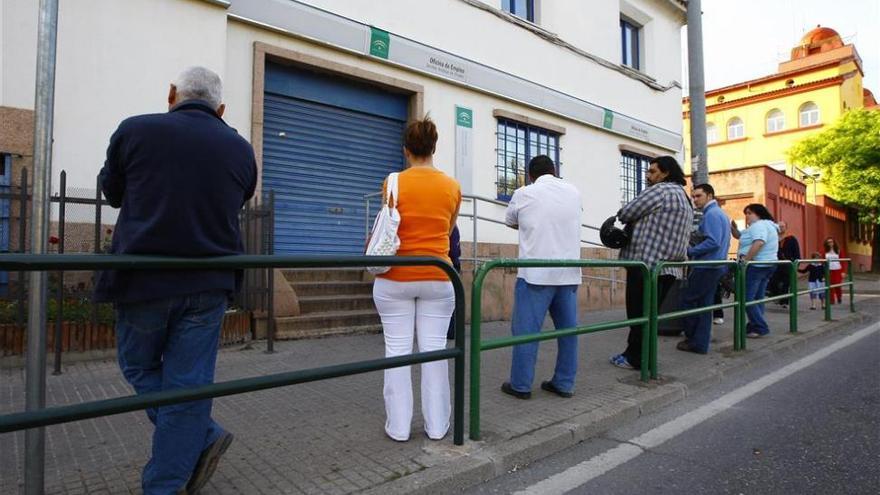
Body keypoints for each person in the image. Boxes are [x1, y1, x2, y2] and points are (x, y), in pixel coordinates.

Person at [95, 67, 257, 494]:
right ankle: (196, 440)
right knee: (188, 384)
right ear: (221, 109)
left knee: (137, 366)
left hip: (144, 281)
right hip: (208, 286)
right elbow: (238, 198)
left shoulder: (135, 131)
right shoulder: (240, 150)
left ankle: (173, 472)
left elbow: (111, 192)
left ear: (172, 95)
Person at [371, 116, 461, 442]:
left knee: (397, 352)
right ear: (434, 148)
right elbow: (448, 232)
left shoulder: (392, 182)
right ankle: (437, 427)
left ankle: (398, 428)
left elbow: (389, 229)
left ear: (406, 150)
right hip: (439, 276)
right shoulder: (452, 186)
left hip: (395, 278)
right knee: (434, 351)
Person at [500, 155, 582, 399]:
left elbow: (510, 221)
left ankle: (521, 385)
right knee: (568, 332)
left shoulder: (524, 193)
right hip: (568, 274)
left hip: (535, 274)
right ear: (554, 170)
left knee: (526, 332)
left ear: (530, 175)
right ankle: (564, 383)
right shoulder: (574, 191)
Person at [610, 156, 693, 370]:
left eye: (653, 171)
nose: (648, 175)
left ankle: (634, 359)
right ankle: (642, 357)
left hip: (645, 264)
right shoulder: (685, 197)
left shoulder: (660, 190)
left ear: (665, 173)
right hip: (668, 268)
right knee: (650, 315)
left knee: (638, 315)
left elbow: (626, 212)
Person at [677, 184, 731, 354]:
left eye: (698, 196)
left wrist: (690, 251)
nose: (695, 200)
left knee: (688, 302)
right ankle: (700, 342)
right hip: (714, 266)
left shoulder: (712, 214)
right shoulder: (719, 214)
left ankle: (694, 340)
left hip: (707, 266)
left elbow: (713, 241)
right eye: (693, 197)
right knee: (704, 305)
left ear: (709, 195)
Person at [730, 204, 779, 338]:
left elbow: (759, 242)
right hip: (767, 265)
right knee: (757, 298)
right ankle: (754, 327)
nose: (747, 216)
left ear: (759, 213)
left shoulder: (759, 225)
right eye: (745, 213)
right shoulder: (768, 225)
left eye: (750, 213)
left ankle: (760, 326)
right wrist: (733, 229)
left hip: (757, 265)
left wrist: (746, 259)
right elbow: (741, 237)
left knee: (746, 298)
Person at [769, 220, 800, 307]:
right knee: (773, 282)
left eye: (782, 226)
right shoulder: (773, 239)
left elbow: (797, 253)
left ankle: (784, 302)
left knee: (786, 284)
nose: (780, 228)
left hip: (788, 265)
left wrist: (796, 265)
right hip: (776, 265)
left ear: (786, 228)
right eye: (779, 226)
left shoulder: (791, 239)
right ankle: (778, 297)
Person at [446, 225, 462, 340]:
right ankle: (452, 331)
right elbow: (455, 251)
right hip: (450, 266)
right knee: (451, 302)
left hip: (443, 266)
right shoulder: (451, 226)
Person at [823, 237, 844, 304]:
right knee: (830, 285)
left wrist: (843, 271)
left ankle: (839, 297)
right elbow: (823, 262)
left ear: (834, 242)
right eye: (828, 242)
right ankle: (831, 300)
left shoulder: (838, 250)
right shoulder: (824, 252)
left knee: (837, 285)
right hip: (829, 270)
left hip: (837, 269)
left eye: (831, 242)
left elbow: (843, 261)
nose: (830, 243)